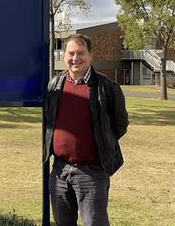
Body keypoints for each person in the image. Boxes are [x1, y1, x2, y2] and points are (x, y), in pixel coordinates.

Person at [43, 34, 129, 226]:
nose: (76, 58)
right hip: (60, 171)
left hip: (92, 172)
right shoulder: (54, 85)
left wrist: (101, 142)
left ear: (91, 55)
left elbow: (120, 125)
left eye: (81, 53)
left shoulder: (107, 87)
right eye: (71, 53)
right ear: (64, 55)